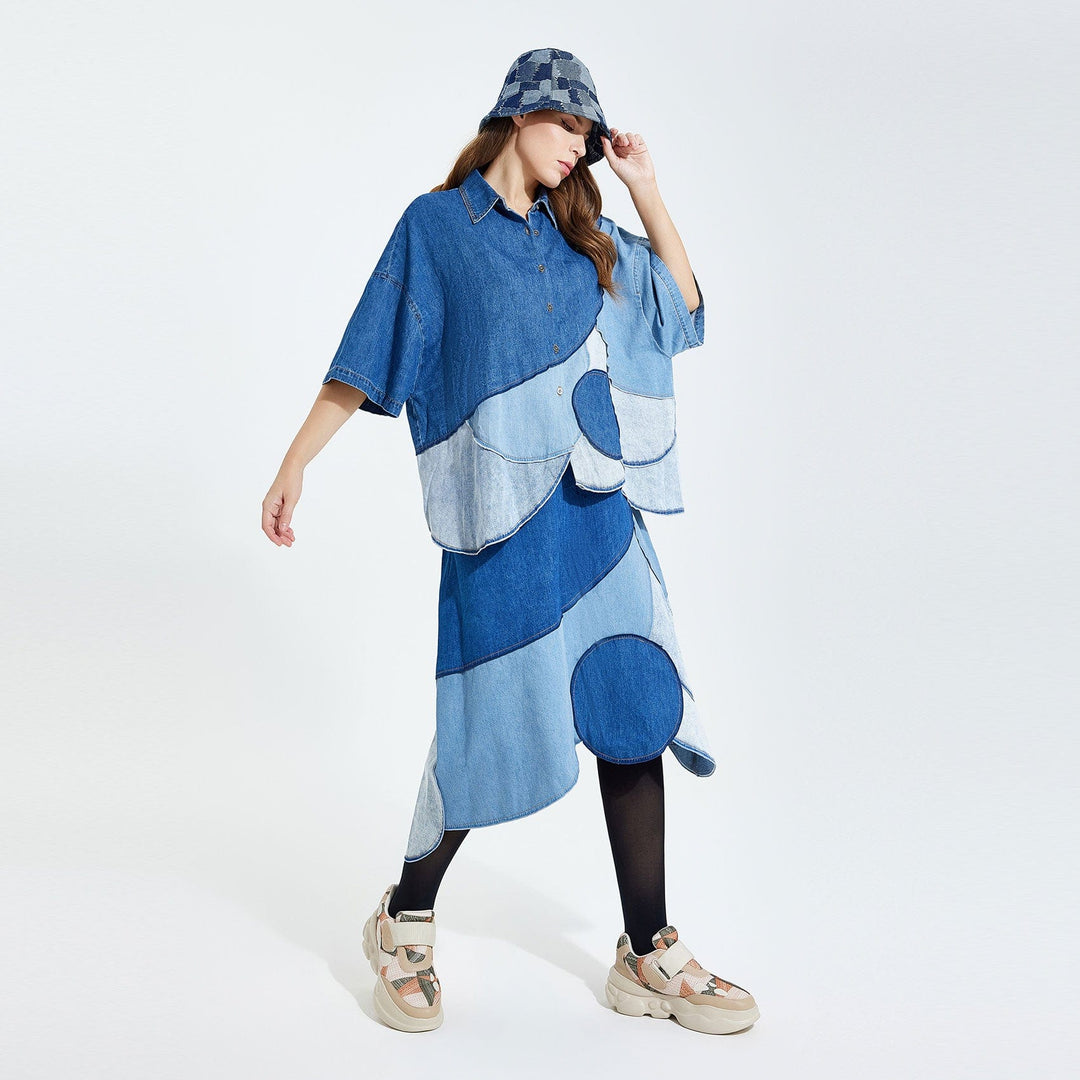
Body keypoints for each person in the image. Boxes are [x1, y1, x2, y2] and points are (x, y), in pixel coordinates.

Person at [261, 47, 759, 1036]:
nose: (579, 146)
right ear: (519, 114)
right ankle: (404, 917)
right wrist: (295, 462)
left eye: (589, 133)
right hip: (498, 528)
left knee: (633, 701)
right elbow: (368, 355)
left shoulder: (591, 240)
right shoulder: (437, 229)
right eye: (568, 125)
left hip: (601, 515)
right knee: (485, 729)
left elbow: (684, 311)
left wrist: (644, 187)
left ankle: (648, 949)